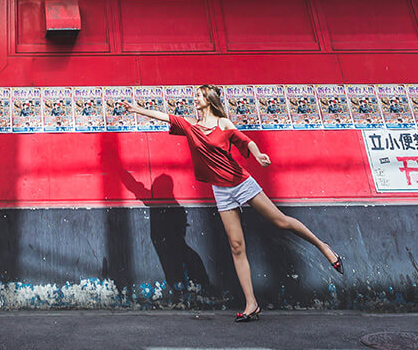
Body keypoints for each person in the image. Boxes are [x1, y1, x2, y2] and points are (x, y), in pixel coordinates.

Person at [128, 84, 343, 321]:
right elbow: (164, 116)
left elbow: (246, 141)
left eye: (198, 95)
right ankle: (251, 304)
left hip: (241, 182)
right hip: (221, 192)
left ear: (209, 99)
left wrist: (258, 154)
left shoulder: (224, 124)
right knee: (236, 246)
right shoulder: (190, 126)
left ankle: (322, 246)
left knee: (280, 221)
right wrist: (137, 109)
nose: (195, 98)